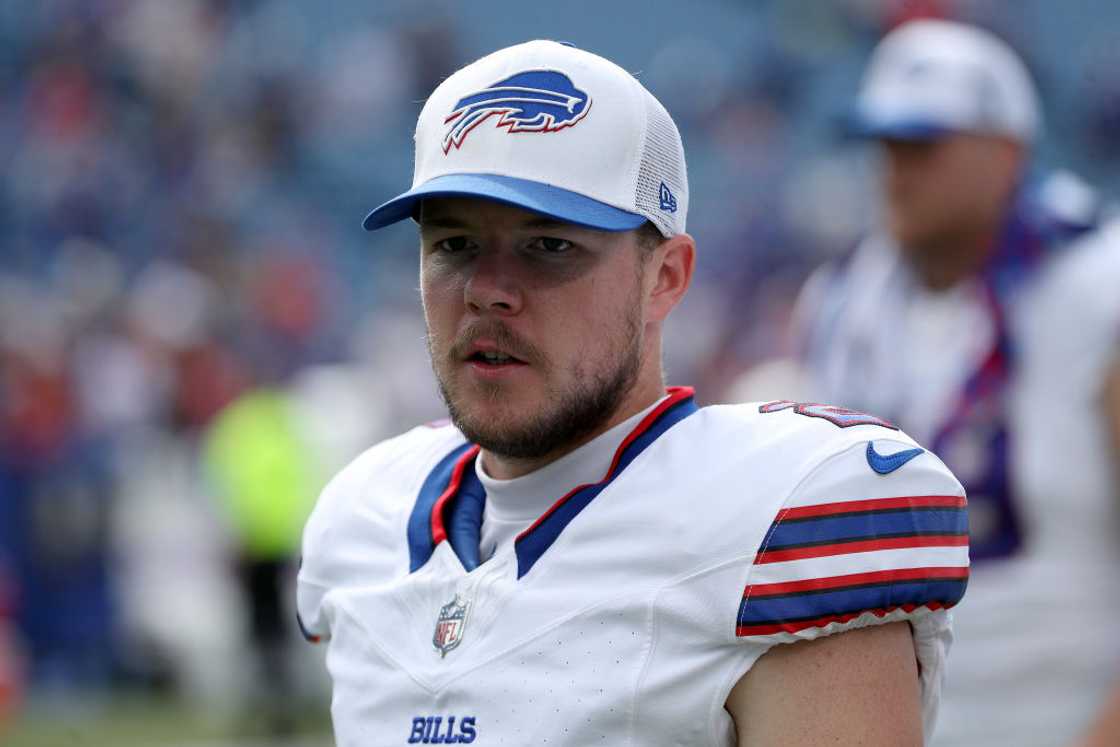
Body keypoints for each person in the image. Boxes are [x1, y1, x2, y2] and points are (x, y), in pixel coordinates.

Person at [297, 39, 969, 746]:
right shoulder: (361, 521)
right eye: (454, 245)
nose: (488, 291)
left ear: (667, 276)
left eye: (549, 246)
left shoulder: (774, 517)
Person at [792, 19, 1120, 747]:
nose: (895, 169)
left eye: (922, 144)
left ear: (1006, 152)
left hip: (1069, 704)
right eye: (883, 144)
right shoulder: (843, 302)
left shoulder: (1098, 289)